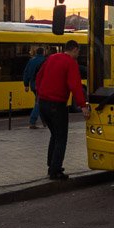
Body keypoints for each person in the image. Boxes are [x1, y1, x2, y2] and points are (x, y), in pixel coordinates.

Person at [34, 40, 88, 180]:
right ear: (75, 49)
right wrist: (83, 105)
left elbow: (39, 77)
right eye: (78, 51)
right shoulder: (70, 63)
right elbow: (75, 85)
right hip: (57, 105)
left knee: (54, 135)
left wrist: (40, 94)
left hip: (43, 103)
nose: (78, 54)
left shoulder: (51, 58)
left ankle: (51, 165)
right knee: (61, 138)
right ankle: (55, 170)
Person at [21, 47, 47, 129]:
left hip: (32, 84)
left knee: (41, 102)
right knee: (39, 103)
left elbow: (26, 72)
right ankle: (32, 121)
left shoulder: (31, 60)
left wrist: (26, 85)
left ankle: (45, 122)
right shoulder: (44, 61)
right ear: (43, 52)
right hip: (40, 85)